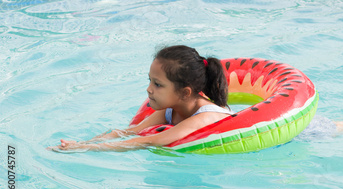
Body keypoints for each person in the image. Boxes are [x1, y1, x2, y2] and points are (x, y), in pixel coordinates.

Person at [50, 45, 233, 152]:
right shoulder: (170, 109)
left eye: (157, 84)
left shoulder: (205, 116)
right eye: (150, 81)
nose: (149, 90)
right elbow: (131, 132)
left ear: (185, 93)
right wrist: (80, 143)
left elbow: (151, 140)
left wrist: (88, 150)